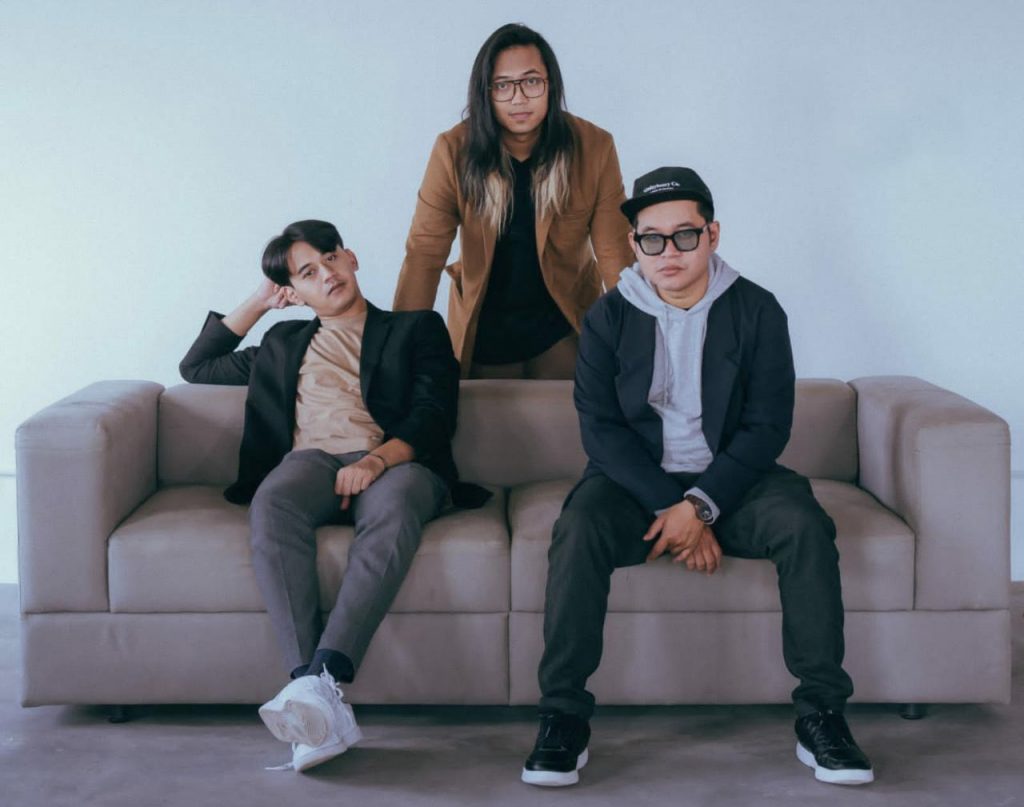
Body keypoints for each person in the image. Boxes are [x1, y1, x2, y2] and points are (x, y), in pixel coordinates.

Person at [522, 168, 874, 787]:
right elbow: (601, 431)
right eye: (652, 239)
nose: (669, 252)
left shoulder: (757, 309)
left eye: (685, 235)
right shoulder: (608, 317)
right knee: (577, 530)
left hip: (736, 480)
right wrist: (675, 508)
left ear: (712, 235)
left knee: (805, 526)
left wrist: (702, 505)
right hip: (635, 484)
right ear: (634, 244)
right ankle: (563, 717)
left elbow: (767, 427)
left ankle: (822, 714)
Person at [180, 219, 479, 772]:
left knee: (394, 508)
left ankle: (318, 685)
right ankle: (314, 691)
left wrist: (376, 460)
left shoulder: (415, 328)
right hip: (311, 462)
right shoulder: (282, 343)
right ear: (295, 291)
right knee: (273, 502)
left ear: (352, 258)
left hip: (397, 462)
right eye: (307, 273)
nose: (327, 275)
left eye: (331, 259)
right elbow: (196, 367)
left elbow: (435, 412)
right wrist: (262, 301)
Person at [393, 22, 634, 379]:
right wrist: (399, 352)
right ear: (485, 92)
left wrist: (637, 343)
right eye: (503, 85)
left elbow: (615, 253)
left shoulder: (594, 146)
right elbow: (425, 253)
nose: (519, 98)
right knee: (481, 413)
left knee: (574, 410)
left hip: (564, 324)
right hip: (484, 328)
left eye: (531, 81)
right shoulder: (453, 150)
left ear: (551, 84)